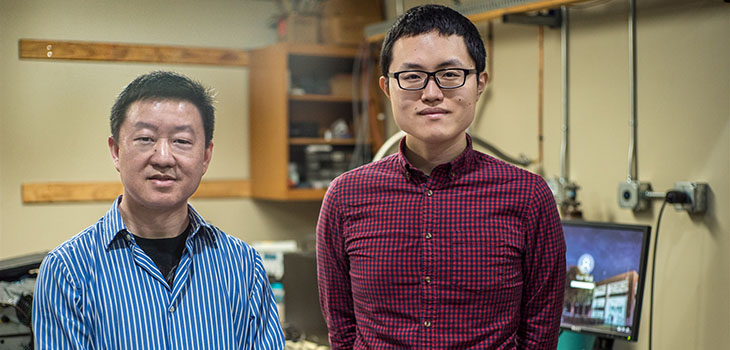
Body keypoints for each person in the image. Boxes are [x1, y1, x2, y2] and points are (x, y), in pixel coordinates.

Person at [316, 5, 565, 349]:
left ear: (480, 83)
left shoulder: (527, 195)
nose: (431, 93)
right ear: (387, 88)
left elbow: (541, 329)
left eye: (450, 74)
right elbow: (341, 328)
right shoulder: (346, 196)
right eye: (412, 76)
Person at [32, 71, 284, 349]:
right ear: (115, 151)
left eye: (182, 141)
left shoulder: (243, 266)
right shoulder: (68, 271)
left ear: (205, 156)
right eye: (145, 138)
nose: (163, 157)